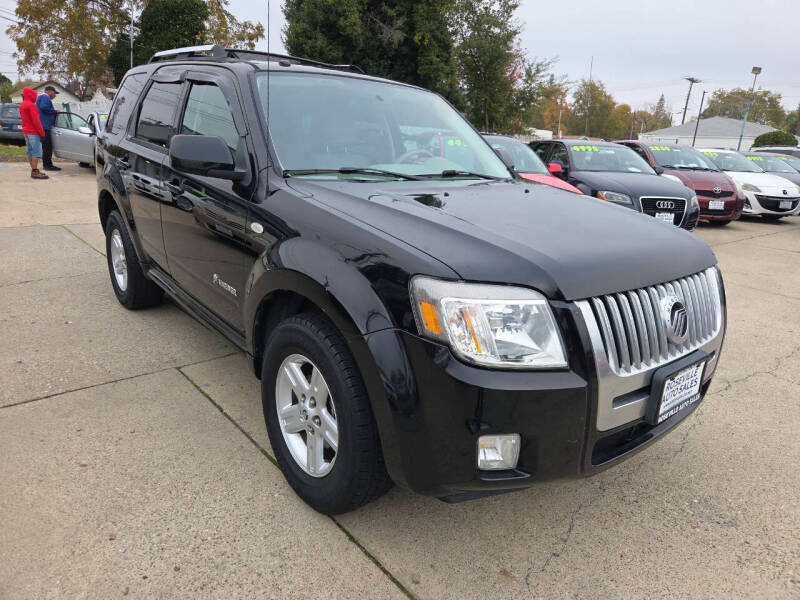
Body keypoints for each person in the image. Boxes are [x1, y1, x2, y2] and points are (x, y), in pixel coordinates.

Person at [19, 87, 48, 180]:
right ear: (31, 95)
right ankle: (35, 172)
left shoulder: (22, 105)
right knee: (36, 152)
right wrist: (42, 133)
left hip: (26, 131)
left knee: (30, 152)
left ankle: (34, 170)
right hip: (33, 132)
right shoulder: (31, 105)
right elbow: (36, 121)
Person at [36, 85, 60, 171]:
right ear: (49, 91)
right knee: (47, 147)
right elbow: (43, 107)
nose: (55, 95)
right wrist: (54, 111)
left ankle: (48, 164)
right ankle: (47, 165)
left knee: (46, 147)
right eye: (54, 93)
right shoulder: (45, 97)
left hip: (44, 126)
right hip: (45, 126)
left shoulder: (42, 97)